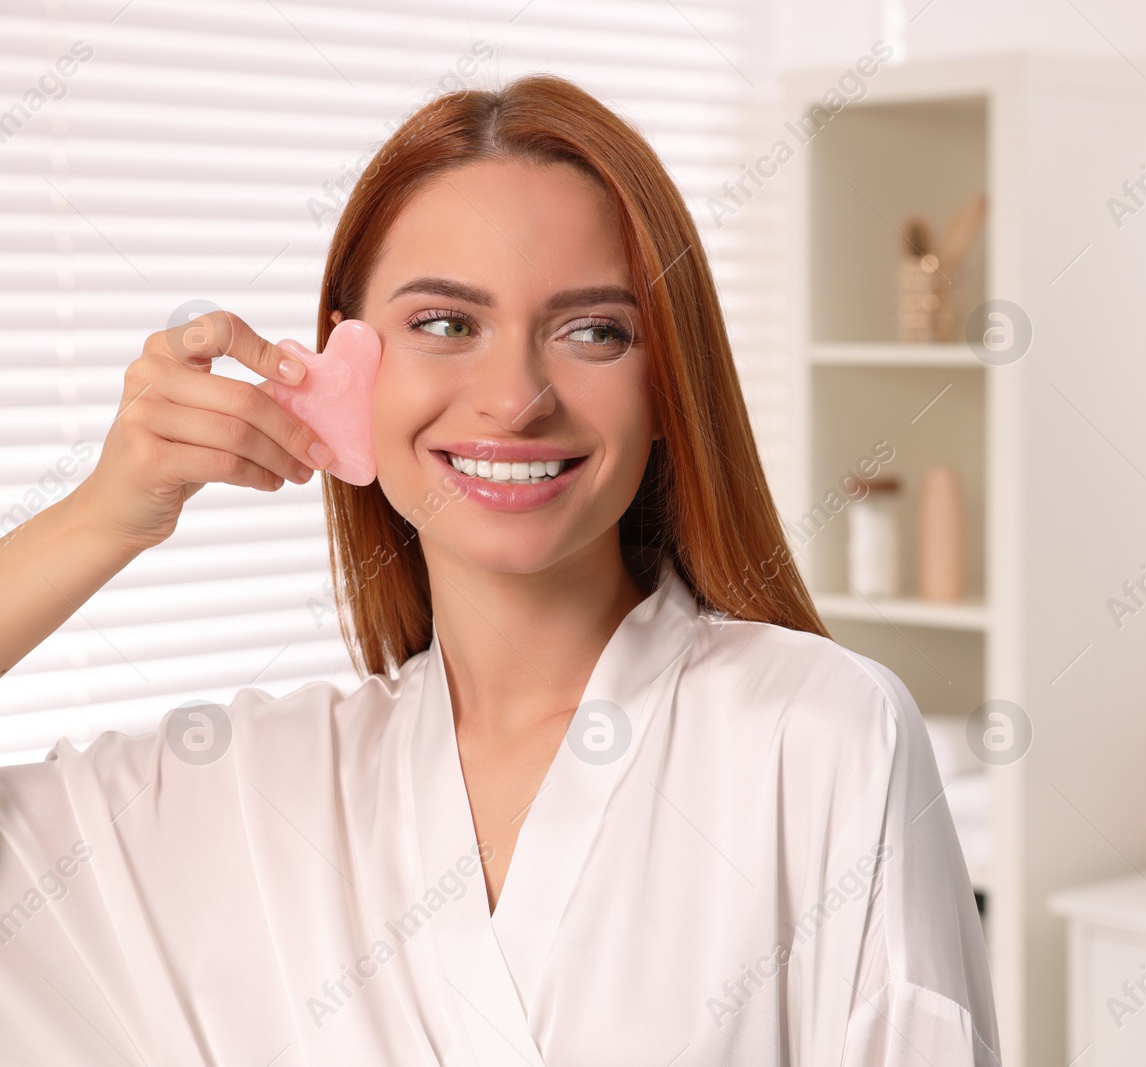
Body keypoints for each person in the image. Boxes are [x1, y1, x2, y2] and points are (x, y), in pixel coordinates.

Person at [0, 75, 997, 1065]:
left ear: (665, 383)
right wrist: (102, 518)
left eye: (594, 330)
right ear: (340, 365)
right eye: (446, 322)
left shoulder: (819, 731)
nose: (515, 398)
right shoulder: (251, 797)